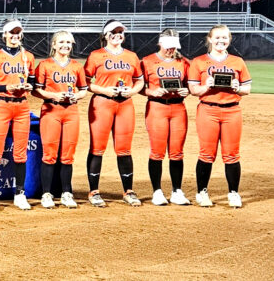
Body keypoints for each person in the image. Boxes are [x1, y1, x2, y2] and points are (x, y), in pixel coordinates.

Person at [188, 24, 251, 208]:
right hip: (208, 110)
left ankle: (233, 193)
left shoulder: (237, 61)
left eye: (224, 38)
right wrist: (206, 86)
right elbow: (193, 90)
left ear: (229, 40)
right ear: (209, 39)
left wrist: (238, 88)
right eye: (217, 38)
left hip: (232, 110)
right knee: (207, 154)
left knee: (231, 154)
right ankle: (202, 192)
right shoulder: (198, 62)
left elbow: (247, 88)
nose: (221, 41)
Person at [84, 19, 145, 207]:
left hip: (125, 105)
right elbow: (85, 82)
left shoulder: (132, 56)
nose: (118, 35)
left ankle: (128, 191)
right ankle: (94, 191)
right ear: (106, 35)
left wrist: (133, 91)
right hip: (102, 103)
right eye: (114, 32)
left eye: (121, 32)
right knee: (97, 148)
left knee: (124, 148)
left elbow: (139, 81)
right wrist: (104, 90)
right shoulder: (96, 56)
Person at [0, 19, 35, 211]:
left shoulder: (28, 56)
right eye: (10, 33)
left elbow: (33, 81)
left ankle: (19, 194)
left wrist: (29, 86)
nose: (14, 36)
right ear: (4, 35)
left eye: (17, 33)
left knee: (20, 152)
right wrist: (7, 87)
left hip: (22, 106)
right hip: (2, 105)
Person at [32, 30, 88, 209]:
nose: (66, 46)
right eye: (62, 42)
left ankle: (66, 192)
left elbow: (83, 89)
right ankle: (47, 194)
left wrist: (76, 96)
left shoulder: (77, 66)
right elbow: (36, 90)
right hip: (51, 111)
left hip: (71, 111)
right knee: (49, 154)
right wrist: (53, 95)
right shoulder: (45, 65)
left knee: (67, 155)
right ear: (54, 45)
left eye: (69, 43)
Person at [139, 28, 192, 206]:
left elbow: (191, 85)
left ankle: (177, 190)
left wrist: (188, 91)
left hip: (178, 108)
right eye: (168, 46)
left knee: (177, 152)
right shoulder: (147, 61)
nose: (170, 50)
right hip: (157, 107)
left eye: (173, 46)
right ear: (160, 42)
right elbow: (139, 87)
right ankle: (157, 191)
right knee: (157, 151)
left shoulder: (183, 62)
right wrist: (152, 91)